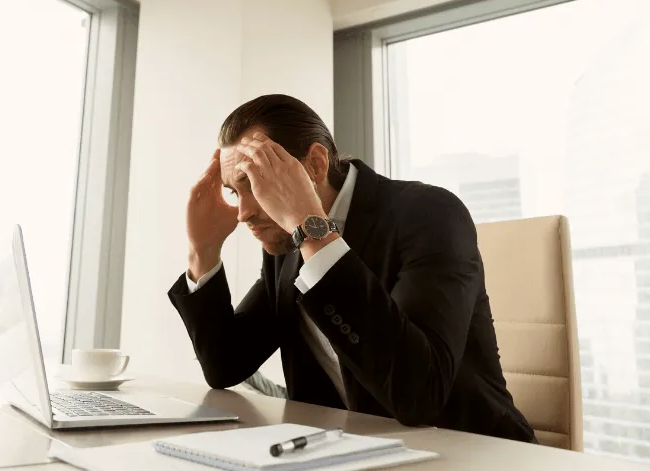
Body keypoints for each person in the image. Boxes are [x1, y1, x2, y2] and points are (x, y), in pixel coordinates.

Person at [167, 94, 536, 442]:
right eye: (235, 191)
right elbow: (226, 364)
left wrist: (311, 230)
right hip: (351, 452)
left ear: (314, 165)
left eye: (255, 183)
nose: (244, 212)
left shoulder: (430, 215)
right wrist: (203, 252)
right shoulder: (284, 247)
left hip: (472, 451)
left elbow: (418, 395)